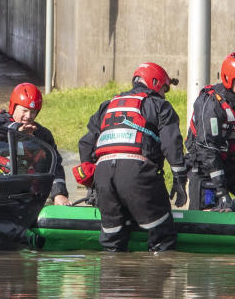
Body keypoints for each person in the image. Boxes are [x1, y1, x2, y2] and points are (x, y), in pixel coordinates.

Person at [77, 62, 188, 252]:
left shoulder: (107, 105)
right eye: (164, 88)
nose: (164, 94)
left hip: (103, 175)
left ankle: (113, 276)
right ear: (155, 83)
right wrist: (179, 179)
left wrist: (92, 184)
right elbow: (172, 145)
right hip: (137, 173)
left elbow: (86, 143)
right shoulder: (159, 105)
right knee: (162, 237)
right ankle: (157, 276)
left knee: (112, 243)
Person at [0, 82, 70, 205]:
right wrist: (17, 130)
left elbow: (54, 164)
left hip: (17, 194)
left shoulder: (42, 135)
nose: (28, 116)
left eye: (33, 112)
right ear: (13, 107)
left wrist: (59, 194)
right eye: (24, 110)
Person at [186, 52, 235, 210]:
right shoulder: (210, 103)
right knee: (206, 215)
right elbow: (207, 149)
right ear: (229, 78)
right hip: (206, 168)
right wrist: (221, 191)